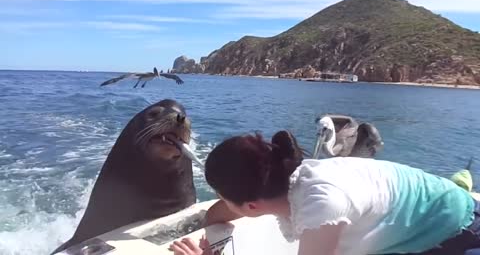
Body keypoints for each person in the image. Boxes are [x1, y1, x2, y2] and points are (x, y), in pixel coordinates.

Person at [169, 130, 480, 255]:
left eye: (222, 196)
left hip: (457, 233)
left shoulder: (321, 206)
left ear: (251, 205)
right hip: (430, 210)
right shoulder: (301, 176)